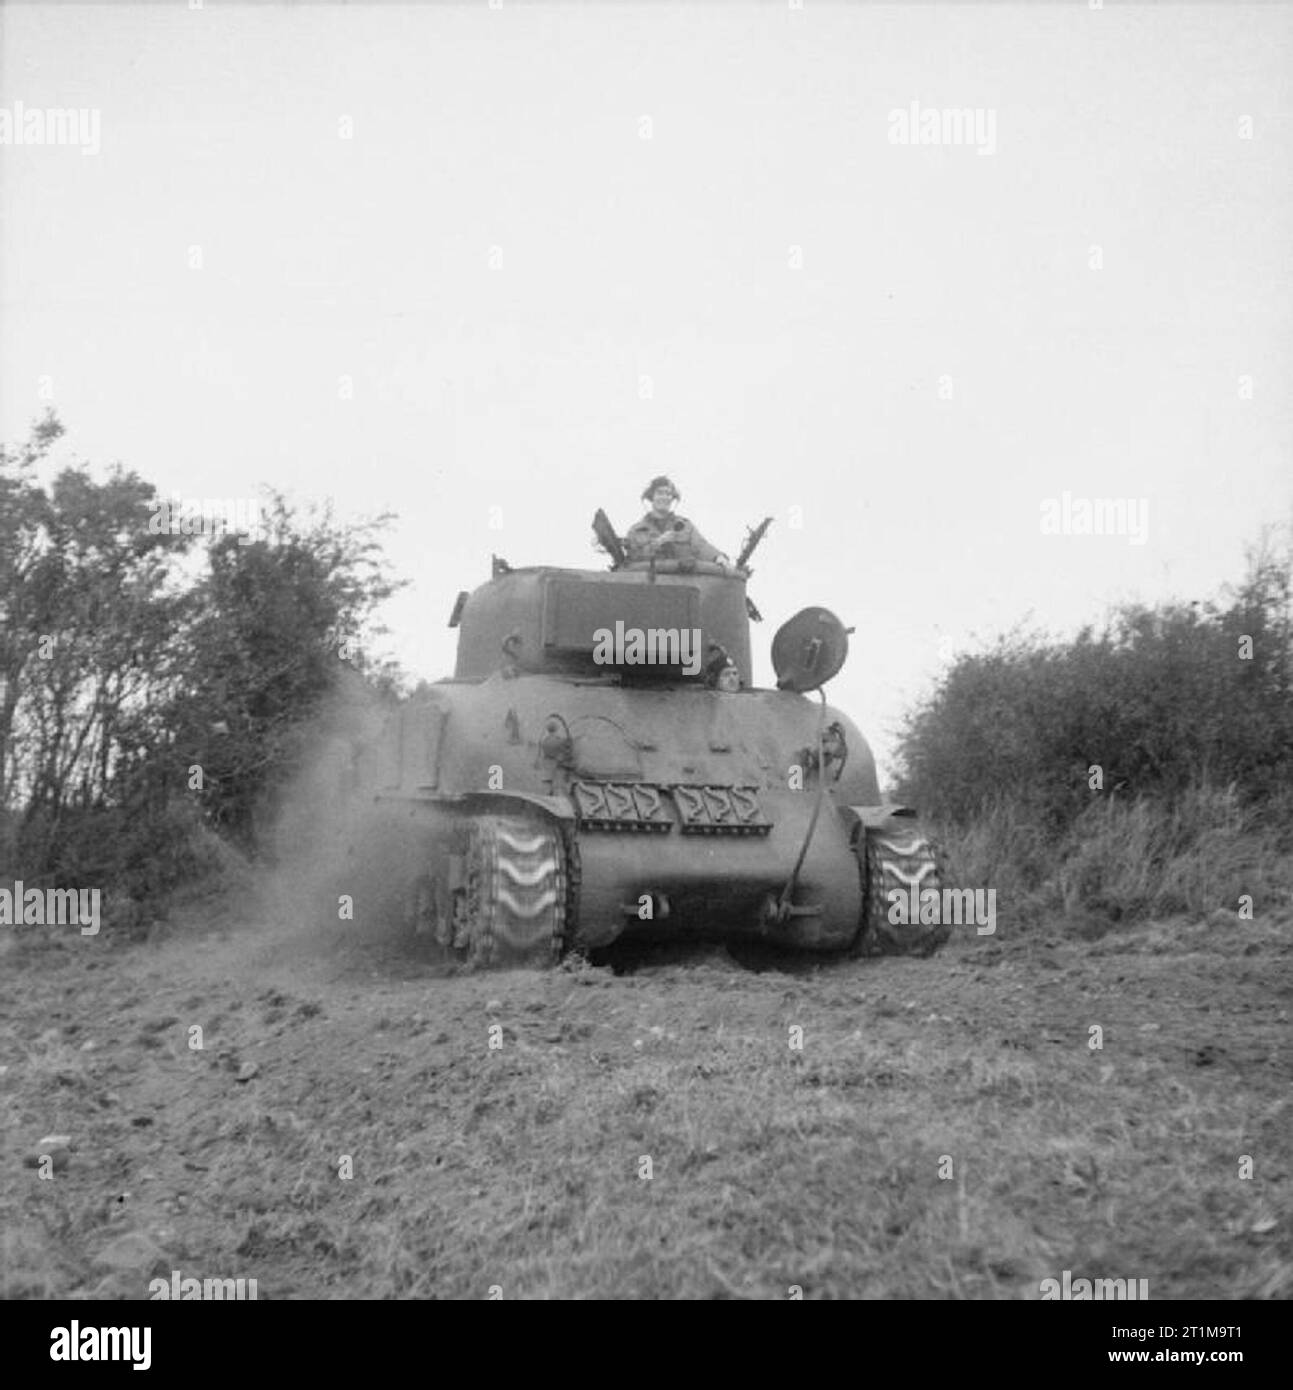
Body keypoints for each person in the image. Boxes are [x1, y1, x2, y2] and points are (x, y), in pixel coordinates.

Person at [624, 476, 734, 570]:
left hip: (683, 584)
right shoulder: (636, 530)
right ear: (651, 497)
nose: (664, 497)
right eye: (660, 493)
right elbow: (632, 558)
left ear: (672, 499)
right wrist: (657, 543)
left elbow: (701, 546)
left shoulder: (685, 526)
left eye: (668, 494)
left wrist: (718, 557)